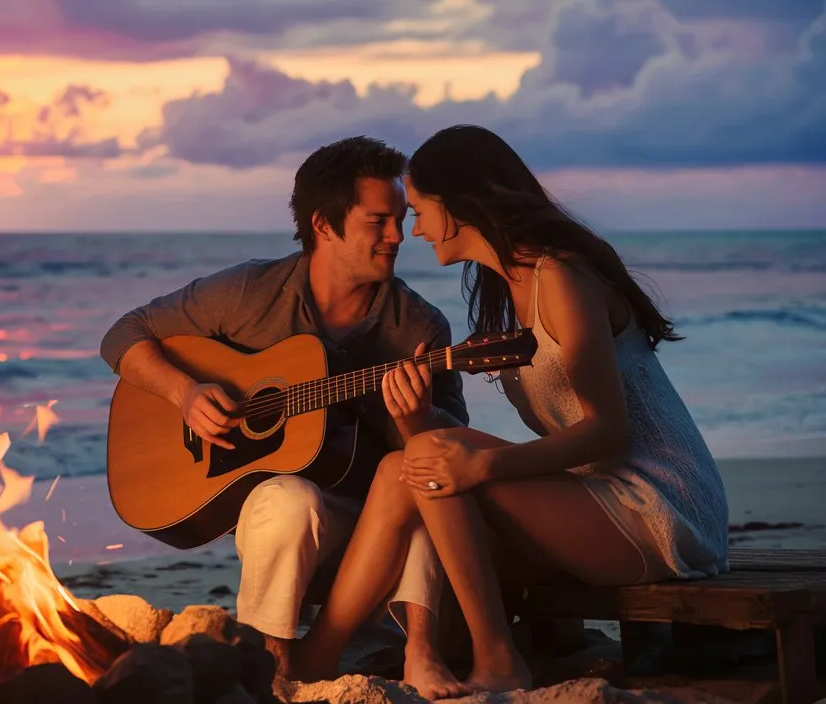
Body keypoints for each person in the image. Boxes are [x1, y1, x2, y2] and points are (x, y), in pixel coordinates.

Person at [290, 124, 731, 693]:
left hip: (657, 508)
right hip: (592, 498)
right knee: (404, 465)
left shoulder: (562, 277)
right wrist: (415, 422)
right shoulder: (513, 286)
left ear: (461, 204)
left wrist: (483, 466)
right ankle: (321, 655)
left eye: (420, 210)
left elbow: (608, 432)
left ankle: (496, 658)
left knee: (429, 457)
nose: (413, 230)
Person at [99, 136, 476, 698]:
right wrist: (186, 393)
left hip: (375, 516)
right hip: (288, 521)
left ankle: (421, 652)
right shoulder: (252, 292)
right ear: (324, 224)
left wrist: (413, 418)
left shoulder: (418, 327)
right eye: (378, 222)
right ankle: (271, 662)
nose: (398, 236)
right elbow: (123, 336)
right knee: (286, 496)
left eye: (400, 220)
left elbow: (452, 450)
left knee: (419, 473)